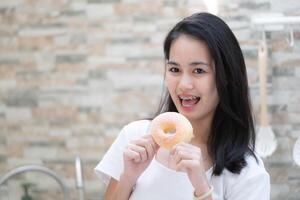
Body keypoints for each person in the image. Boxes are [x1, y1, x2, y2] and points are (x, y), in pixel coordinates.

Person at [94, 12, 270, 200]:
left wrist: (202, 189)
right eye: (175, 69)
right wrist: (127, 179)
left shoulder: (247, 172)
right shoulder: (135, 137)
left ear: (225, 77)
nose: (184, 84)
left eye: (198, 71)